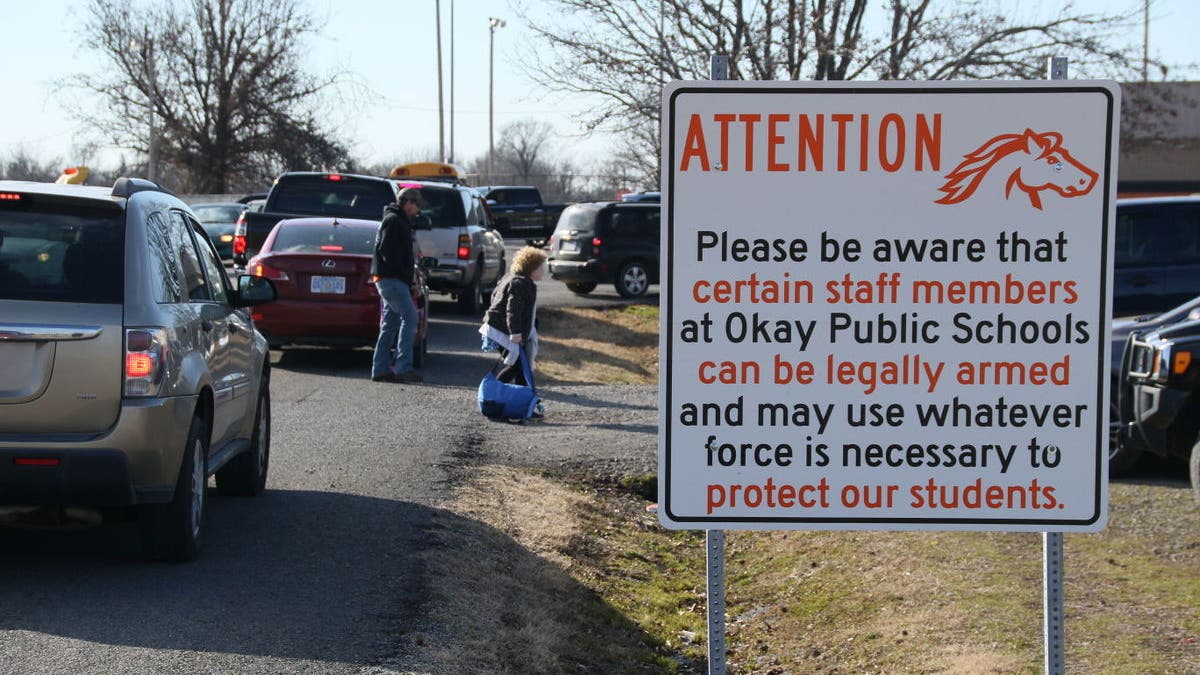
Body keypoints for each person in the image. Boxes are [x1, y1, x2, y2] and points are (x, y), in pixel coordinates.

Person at [371, 187, 424, 384]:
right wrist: (405, 274)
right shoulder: (394, 221)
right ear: (407, 202)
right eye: (416, 205)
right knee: (410, 319)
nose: (417, 210)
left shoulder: (396, 220)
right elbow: (388, 252)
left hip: (389, 279)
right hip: (392, 280)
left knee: (390, 324)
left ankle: (380, 369)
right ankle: (403, 367)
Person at [480, 246, 547, 387]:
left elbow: (494, 297)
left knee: (522, 368)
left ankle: (522, 403)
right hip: (502, 330)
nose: (543, 271)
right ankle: (493, 392)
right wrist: (515, 332)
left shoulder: (512, 278)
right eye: (541, 267)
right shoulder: (521, 283)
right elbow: (513, 310)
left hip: (498, 328)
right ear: (532, 268)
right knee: (517, 366)